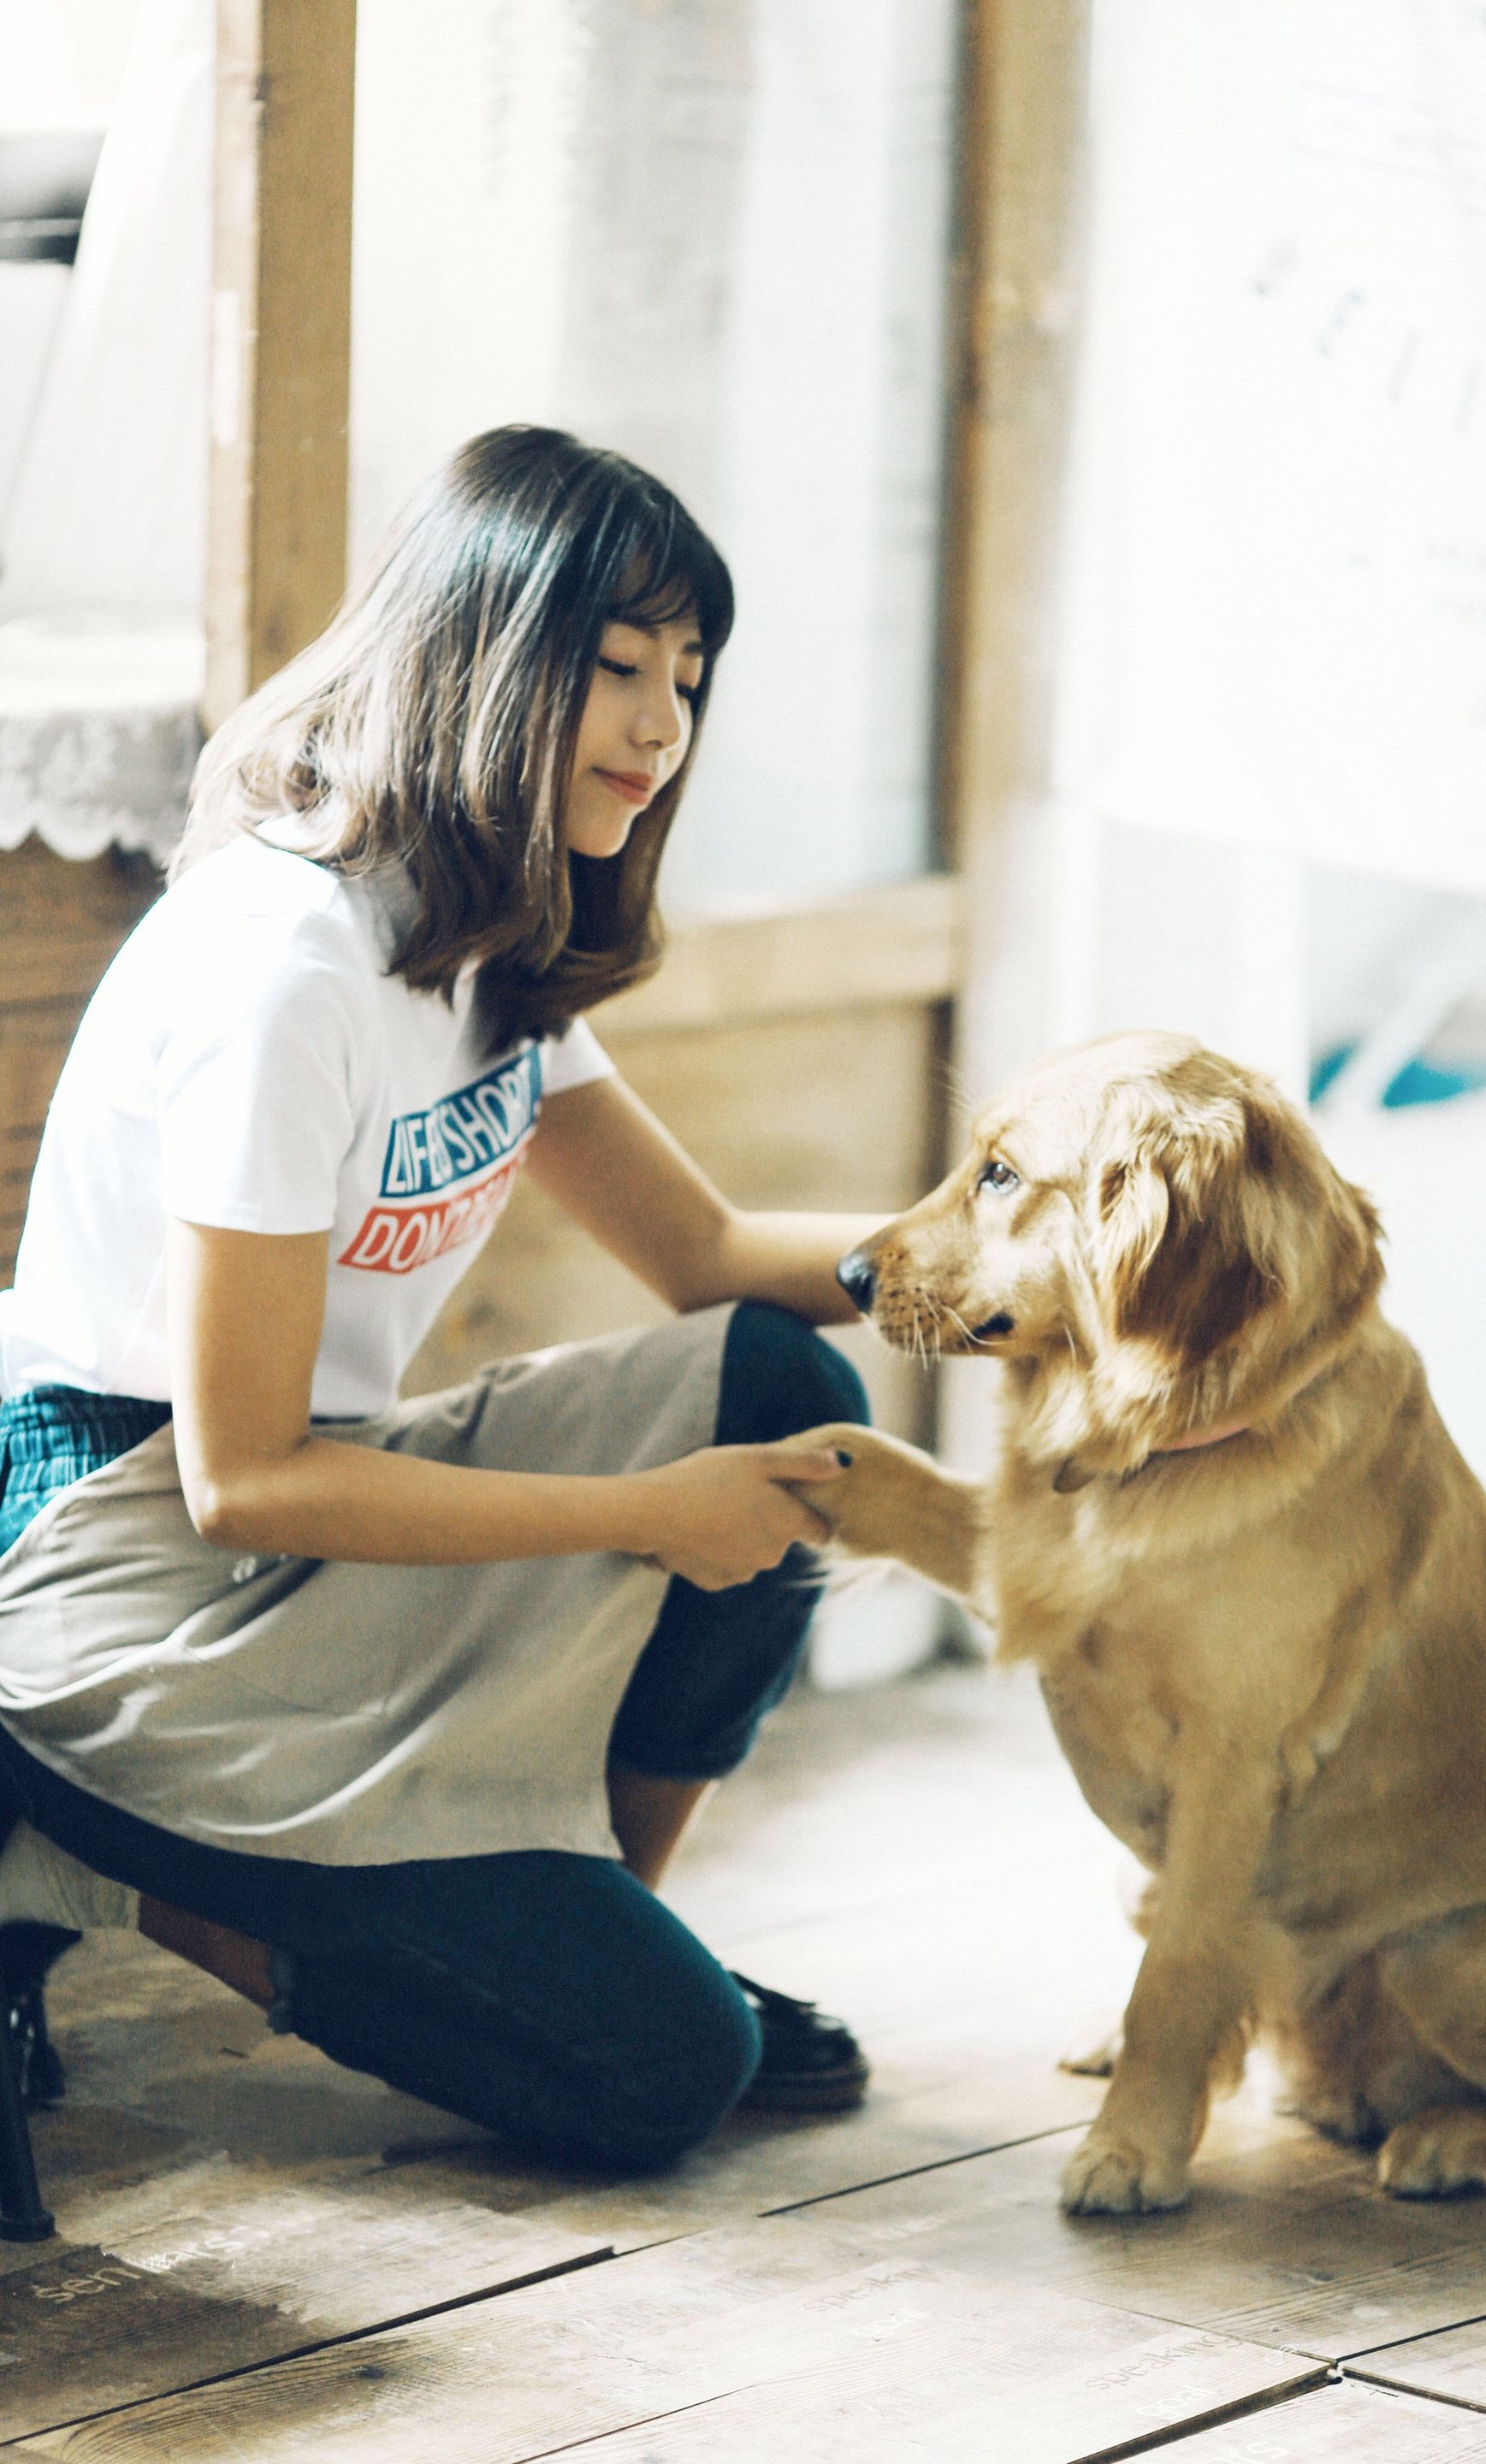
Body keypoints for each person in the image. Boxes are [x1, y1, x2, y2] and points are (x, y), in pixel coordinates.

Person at [0, 426, 885, 2167]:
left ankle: (624, 1924)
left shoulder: (488, 935)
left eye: (687, 678)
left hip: (313, 1502)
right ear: (482, 658)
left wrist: (1001, 1251)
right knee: (655, 2082)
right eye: (615, 669)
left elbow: (710, 1262)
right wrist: (647, 1509)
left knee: (778, 1389)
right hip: (113, 1542)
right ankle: (82, 1857)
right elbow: (235, 1477)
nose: (660, 729)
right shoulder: (291, 967)